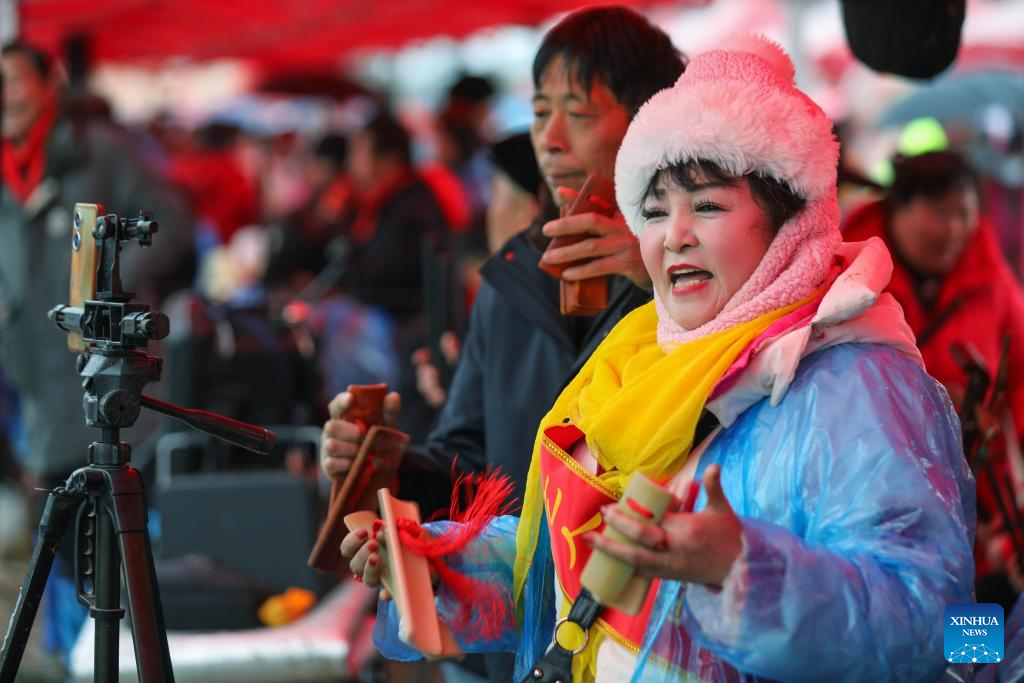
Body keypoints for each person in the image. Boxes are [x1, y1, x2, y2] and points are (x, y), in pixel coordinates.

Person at [345, 36, 975, 682]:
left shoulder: (855, 386)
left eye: (707, 206)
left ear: (790, 221)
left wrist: (743, 569)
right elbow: (574, 570)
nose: (674, 235)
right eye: (653, 210)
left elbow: (952, 629)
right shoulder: (631, 357)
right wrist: (440, 562)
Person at [321, 8, 685, 682]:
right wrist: (388, 465)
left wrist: (659, 272)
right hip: (511, 640)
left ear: (651, 122)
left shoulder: (698, 279)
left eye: (578, 113)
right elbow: (469, 462)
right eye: (540, 111)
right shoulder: (514, 275)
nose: (549, 139)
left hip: (647, 640)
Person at [843, 151, 1024, 606]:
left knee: (973, 620)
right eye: (940, 214)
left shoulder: (991, 279)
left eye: (964, 214)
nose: (954, 230)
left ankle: (973, 654)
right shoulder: (847, 277)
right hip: (880, 503)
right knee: (896, 617)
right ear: (897, 209)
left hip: (980, 512)